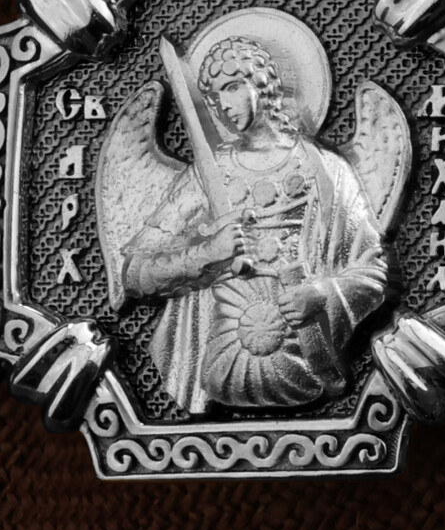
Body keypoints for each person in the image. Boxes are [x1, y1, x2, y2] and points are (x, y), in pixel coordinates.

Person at [115, 37, 390, 413]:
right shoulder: (209, 175)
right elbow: (134, 274)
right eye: (213, 98)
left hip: (308, 362)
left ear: (263, 83)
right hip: (222, 365)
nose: (223, 106)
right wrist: (205, 254)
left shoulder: (325, 169)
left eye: (232, 87)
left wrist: (321, 294)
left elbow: (372, 271)